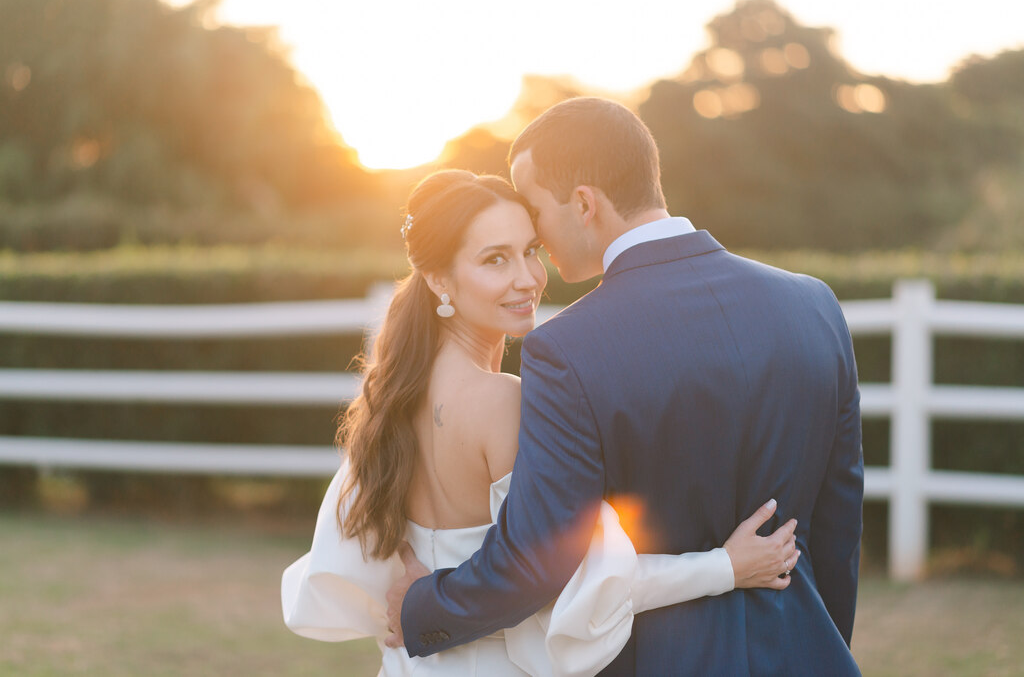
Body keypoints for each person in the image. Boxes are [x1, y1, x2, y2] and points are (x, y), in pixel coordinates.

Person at [387, 98, 864, 675]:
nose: (534, 233)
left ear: (584, 204)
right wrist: (822, 644)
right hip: (805, 652)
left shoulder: (567, 349)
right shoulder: (814, 305)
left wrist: (424, 609)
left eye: (535, 212)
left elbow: (540, 559)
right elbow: (838, 526)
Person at [282, 170, 802, 676]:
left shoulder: (392, 394)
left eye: (530, 250)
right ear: (439, 278)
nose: (527, 278)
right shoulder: (502, 401)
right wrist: (725, 567)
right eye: (494, 259)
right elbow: (579, 578)